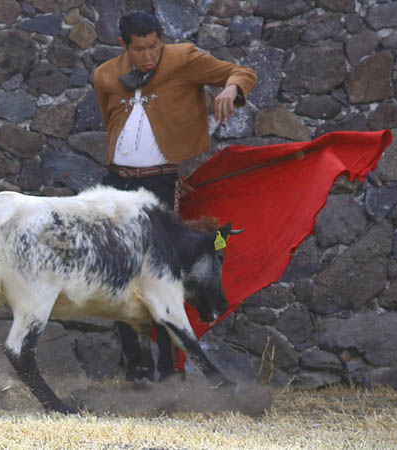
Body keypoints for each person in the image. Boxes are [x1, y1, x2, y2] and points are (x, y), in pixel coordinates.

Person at [93, 10, 257, 382]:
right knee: (117, 274)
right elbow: (112, 124)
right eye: (140, 49)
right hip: (115, 185)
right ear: (123, 45)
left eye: (154, 46)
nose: (149, 55)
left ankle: (169, 373)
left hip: (159, 185)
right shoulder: (104, 75)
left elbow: (241, 72)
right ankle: (136, 370)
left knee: (161, 276)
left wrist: (230, 88)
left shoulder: (183, 58)